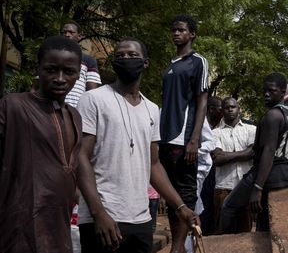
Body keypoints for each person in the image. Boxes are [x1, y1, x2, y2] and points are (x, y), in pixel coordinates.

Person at [76, 38, 198, 253]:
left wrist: (181, 207)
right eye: (120, 56)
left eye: (132, 55)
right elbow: (81, 157)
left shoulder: (152, 109)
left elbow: (153, 164)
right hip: (104, 218)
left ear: (145, 63)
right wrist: (99, 213)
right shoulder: (92, 99)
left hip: (141, 219)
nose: (125, 59)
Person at [0, 37, 83, 252]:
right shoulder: (13, 106)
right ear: (38, 68)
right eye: (51, 70)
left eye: (69, 72)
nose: (60, 79)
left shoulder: (75, 115)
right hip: (19, 228)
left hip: (59, 227)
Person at [220, 73, 288, 233]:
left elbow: (268, 152)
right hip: (285, 176)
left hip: (267, 175)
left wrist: (257, 187)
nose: (266, 94)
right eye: (264, 90)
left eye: (272, 90)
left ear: (283, 93)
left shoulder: (273, 115)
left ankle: (224, 245)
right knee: (265, 223)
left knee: (228, 206)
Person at [159, 15, 210, 252]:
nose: (176, 33)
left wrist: (194, 139)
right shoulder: (170, 65)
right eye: (174, 30)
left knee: (186, 193)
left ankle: (179, 246)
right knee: (171, 196)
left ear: (192, 34)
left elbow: (202, 101)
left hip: (184, 137)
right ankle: (177, 245)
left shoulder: (197, 61)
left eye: (181, 30)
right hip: (165, 138)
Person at [211, 97, 256, 233]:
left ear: (239, 109)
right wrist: (243, 154)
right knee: (223, 231)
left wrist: (227, 155)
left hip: (245, 188)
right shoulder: (215, 133)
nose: (230, 110)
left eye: (233, 107)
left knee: (245, 232)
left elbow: (253, 153)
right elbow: (217, 159)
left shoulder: (251, 129)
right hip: (224, 187)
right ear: (222, 111)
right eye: (226, 107)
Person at [61, 21, 102, 107]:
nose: (67, 35)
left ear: (79, 36)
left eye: (71, 32)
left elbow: (92, 93)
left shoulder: (88, 60)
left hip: (77, 111)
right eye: (64, 32)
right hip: (51, 110)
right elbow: (37, 87)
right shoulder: (51, 58)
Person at [199, 96, 223, 235]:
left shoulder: (217, 129)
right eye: (221, 109)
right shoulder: (202, 126)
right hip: (202, 174)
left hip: (214, 175)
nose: (223, 113)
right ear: (211, 110)